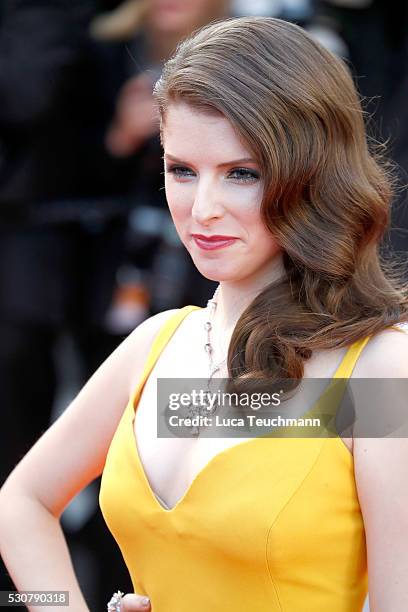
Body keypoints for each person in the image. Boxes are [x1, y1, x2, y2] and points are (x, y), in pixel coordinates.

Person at [1, 15, 408, 612]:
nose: (204, 209)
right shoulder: (160, 348)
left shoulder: (377, 371)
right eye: (181, 171)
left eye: (242, 173)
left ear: (313, 174)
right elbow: (23, 501)